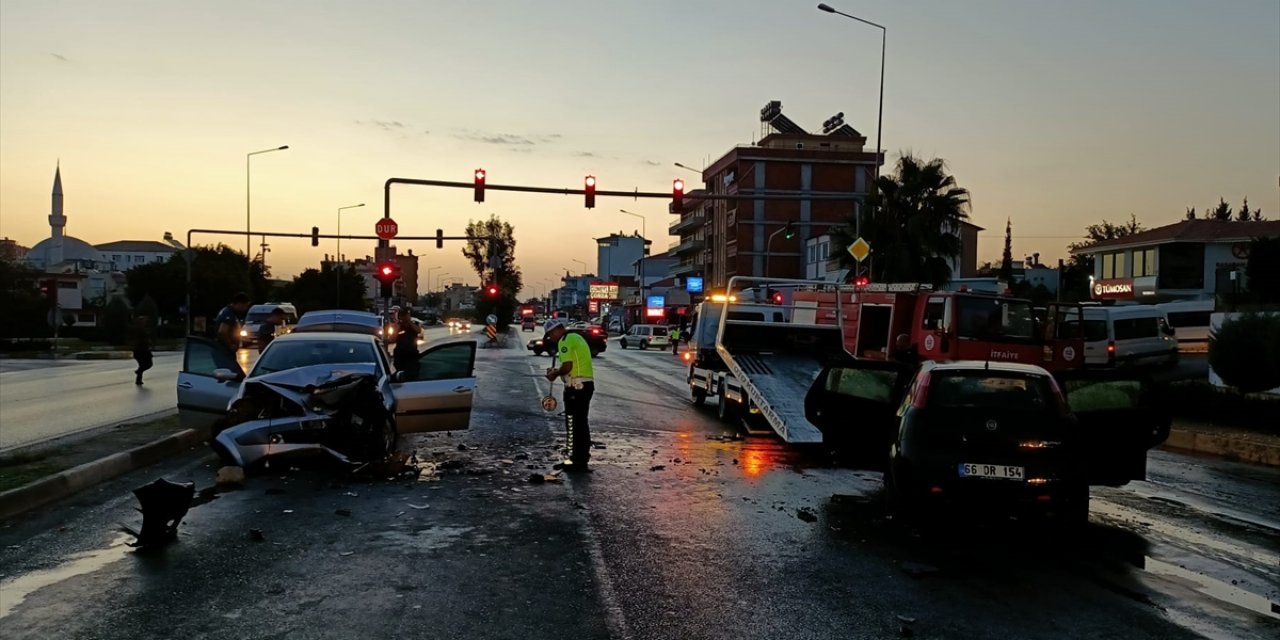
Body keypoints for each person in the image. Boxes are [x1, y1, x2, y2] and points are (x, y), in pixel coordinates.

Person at [543, 319, 594, 471]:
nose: (550, 338)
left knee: (572, 424)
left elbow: (567, 366)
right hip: (585, 385)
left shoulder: (564, 341)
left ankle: (573, 461)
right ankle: (581, 459)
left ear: (556, 330)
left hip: (576, 387)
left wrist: (554, 373)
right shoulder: (576, 337)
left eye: (549, 335)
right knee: (581, 424)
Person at [392, 308, 422, 379]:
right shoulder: (398, 326)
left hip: (411, 353)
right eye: (403, 315)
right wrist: (399, 325)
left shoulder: (413, 324)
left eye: (406, 315)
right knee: (401, 373)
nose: (405, 317)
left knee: (412, 373)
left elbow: (418, 330)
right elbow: (393, 338)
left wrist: (409, 322)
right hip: (400, 354)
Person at [131, 316, 153, 386]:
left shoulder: (144, 329)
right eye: (143, 321)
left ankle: (138, 376)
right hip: (140, 350)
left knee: (145, 365)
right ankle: (138, 377)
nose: (145, 322)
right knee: (145, 364)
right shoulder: (139, 330)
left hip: (143, 350)